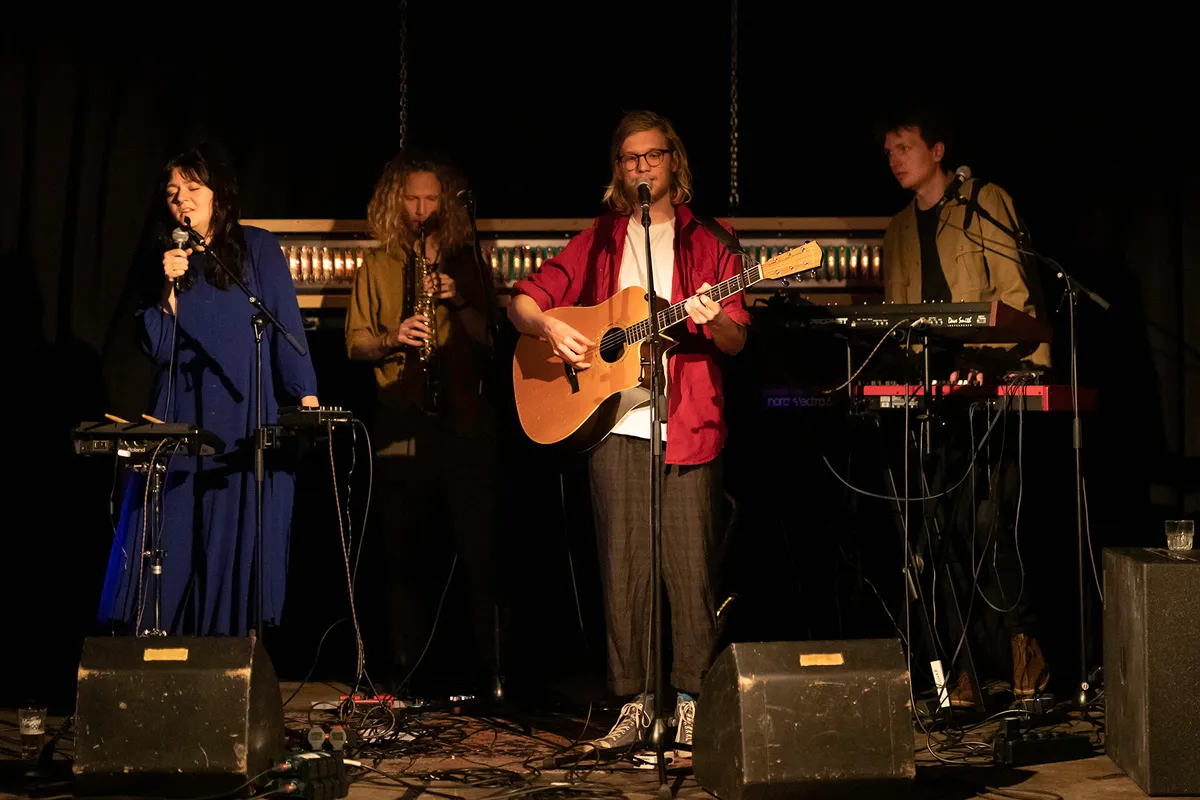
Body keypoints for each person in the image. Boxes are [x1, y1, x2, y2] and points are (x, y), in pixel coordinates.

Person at [507, 110, 750, 751]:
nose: (642, 166)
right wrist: (549, 327)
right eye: (630, 157)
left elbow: (735, 339)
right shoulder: (599, 240)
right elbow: (522, 301)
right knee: (624, 572)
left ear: (674, 161)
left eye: (653, 155)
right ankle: (637, 703)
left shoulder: (711, 241)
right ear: (617, 170)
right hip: (614, 426)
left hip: (689, 421)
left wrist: (710, 318)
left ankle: (692, 702)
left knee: (691, 571)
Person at [99, 143, 319, 636]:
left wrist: (306, 400)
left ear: (219, 194)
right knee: (171, 536)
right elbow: (159, 346)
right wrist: (167, 290)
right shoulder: (164, 261)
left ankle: (226, 653)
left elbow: (286, 327)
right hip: (180, 415)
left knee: (232, 538)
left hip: (243, 417)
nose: (182, 198)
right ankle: (157, 652)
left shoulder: (258, 248)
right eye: (172, 192)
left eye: (193, 187)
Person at [881, 108, 1051, 702]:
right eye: (889, 151)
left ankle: (1026, 653)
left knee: (989, 527)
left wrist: (991, 363)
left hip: (991, 383)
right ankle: (960, 671)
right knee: (935, 536)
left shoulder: (983, 202)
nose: (895, 159)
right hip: (933, 395)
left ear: (937, 151)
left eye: (905, 146)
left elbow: (1016, 298)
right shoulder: (897, 230)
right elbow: (897, 323)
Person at [346, 153, 501, 700]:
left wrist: (458, 299)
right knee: (404, 555)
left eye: (432, 199)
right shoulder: (378, 264)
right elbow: (355, 344)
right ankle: (407, 674)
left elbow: (491, 339)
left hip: (461, 424)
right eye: (412, 199)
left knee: (475, 552)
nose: (421, 209)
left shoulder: (466, 261)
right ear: (397, 203)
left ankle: (482, 674)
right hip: (400, 422)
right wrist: (394, 337)